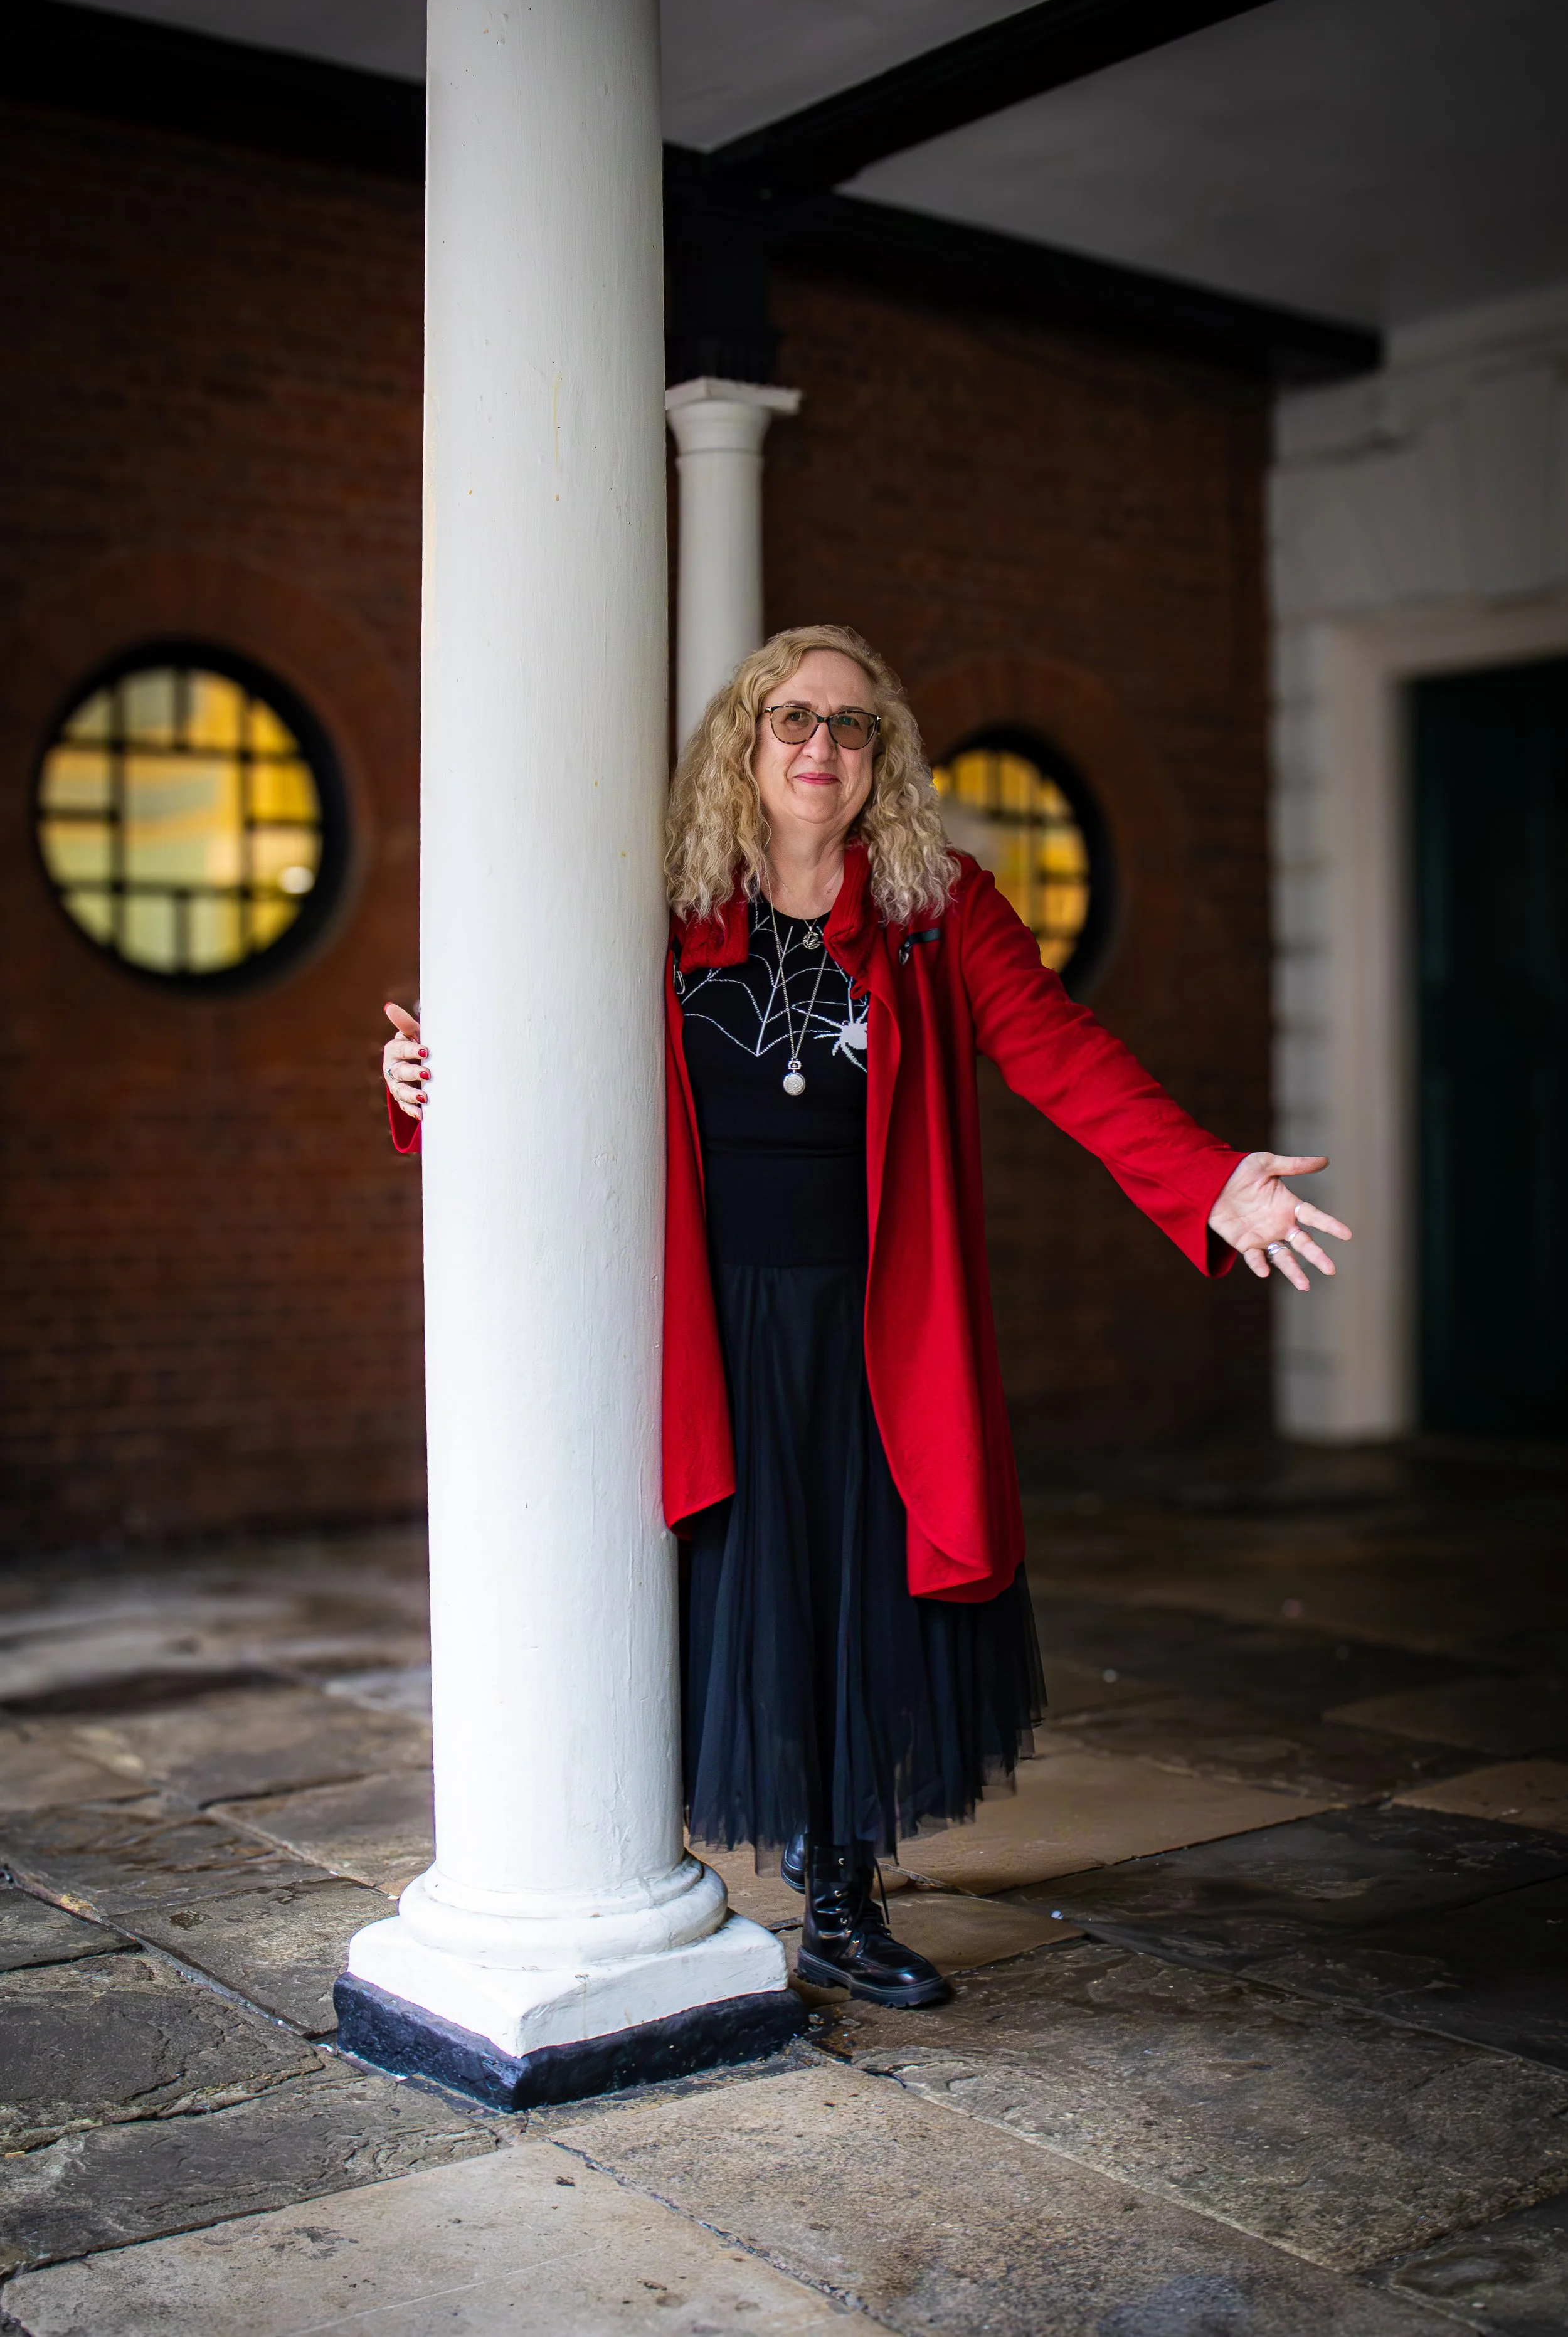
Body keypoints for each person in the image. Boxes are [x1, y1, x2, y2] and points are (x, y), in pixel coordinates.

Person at [383, 622, 1350, 2011]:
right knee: (724, 1597)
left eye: (848, 726)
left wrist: (1209, 1182)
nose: (818, 747)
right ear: (744, 742)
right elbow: (529, 1047)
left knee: (851, 1603)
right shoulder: (657, 908)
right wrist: (429, 1077)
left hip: (873, 1323)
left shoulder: (937, 905)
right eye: (791, 719)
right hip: (703, 1324)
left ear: (878, 757)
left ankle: (838, 1899)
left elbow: (1059, 1052)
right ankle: (608, 1874)